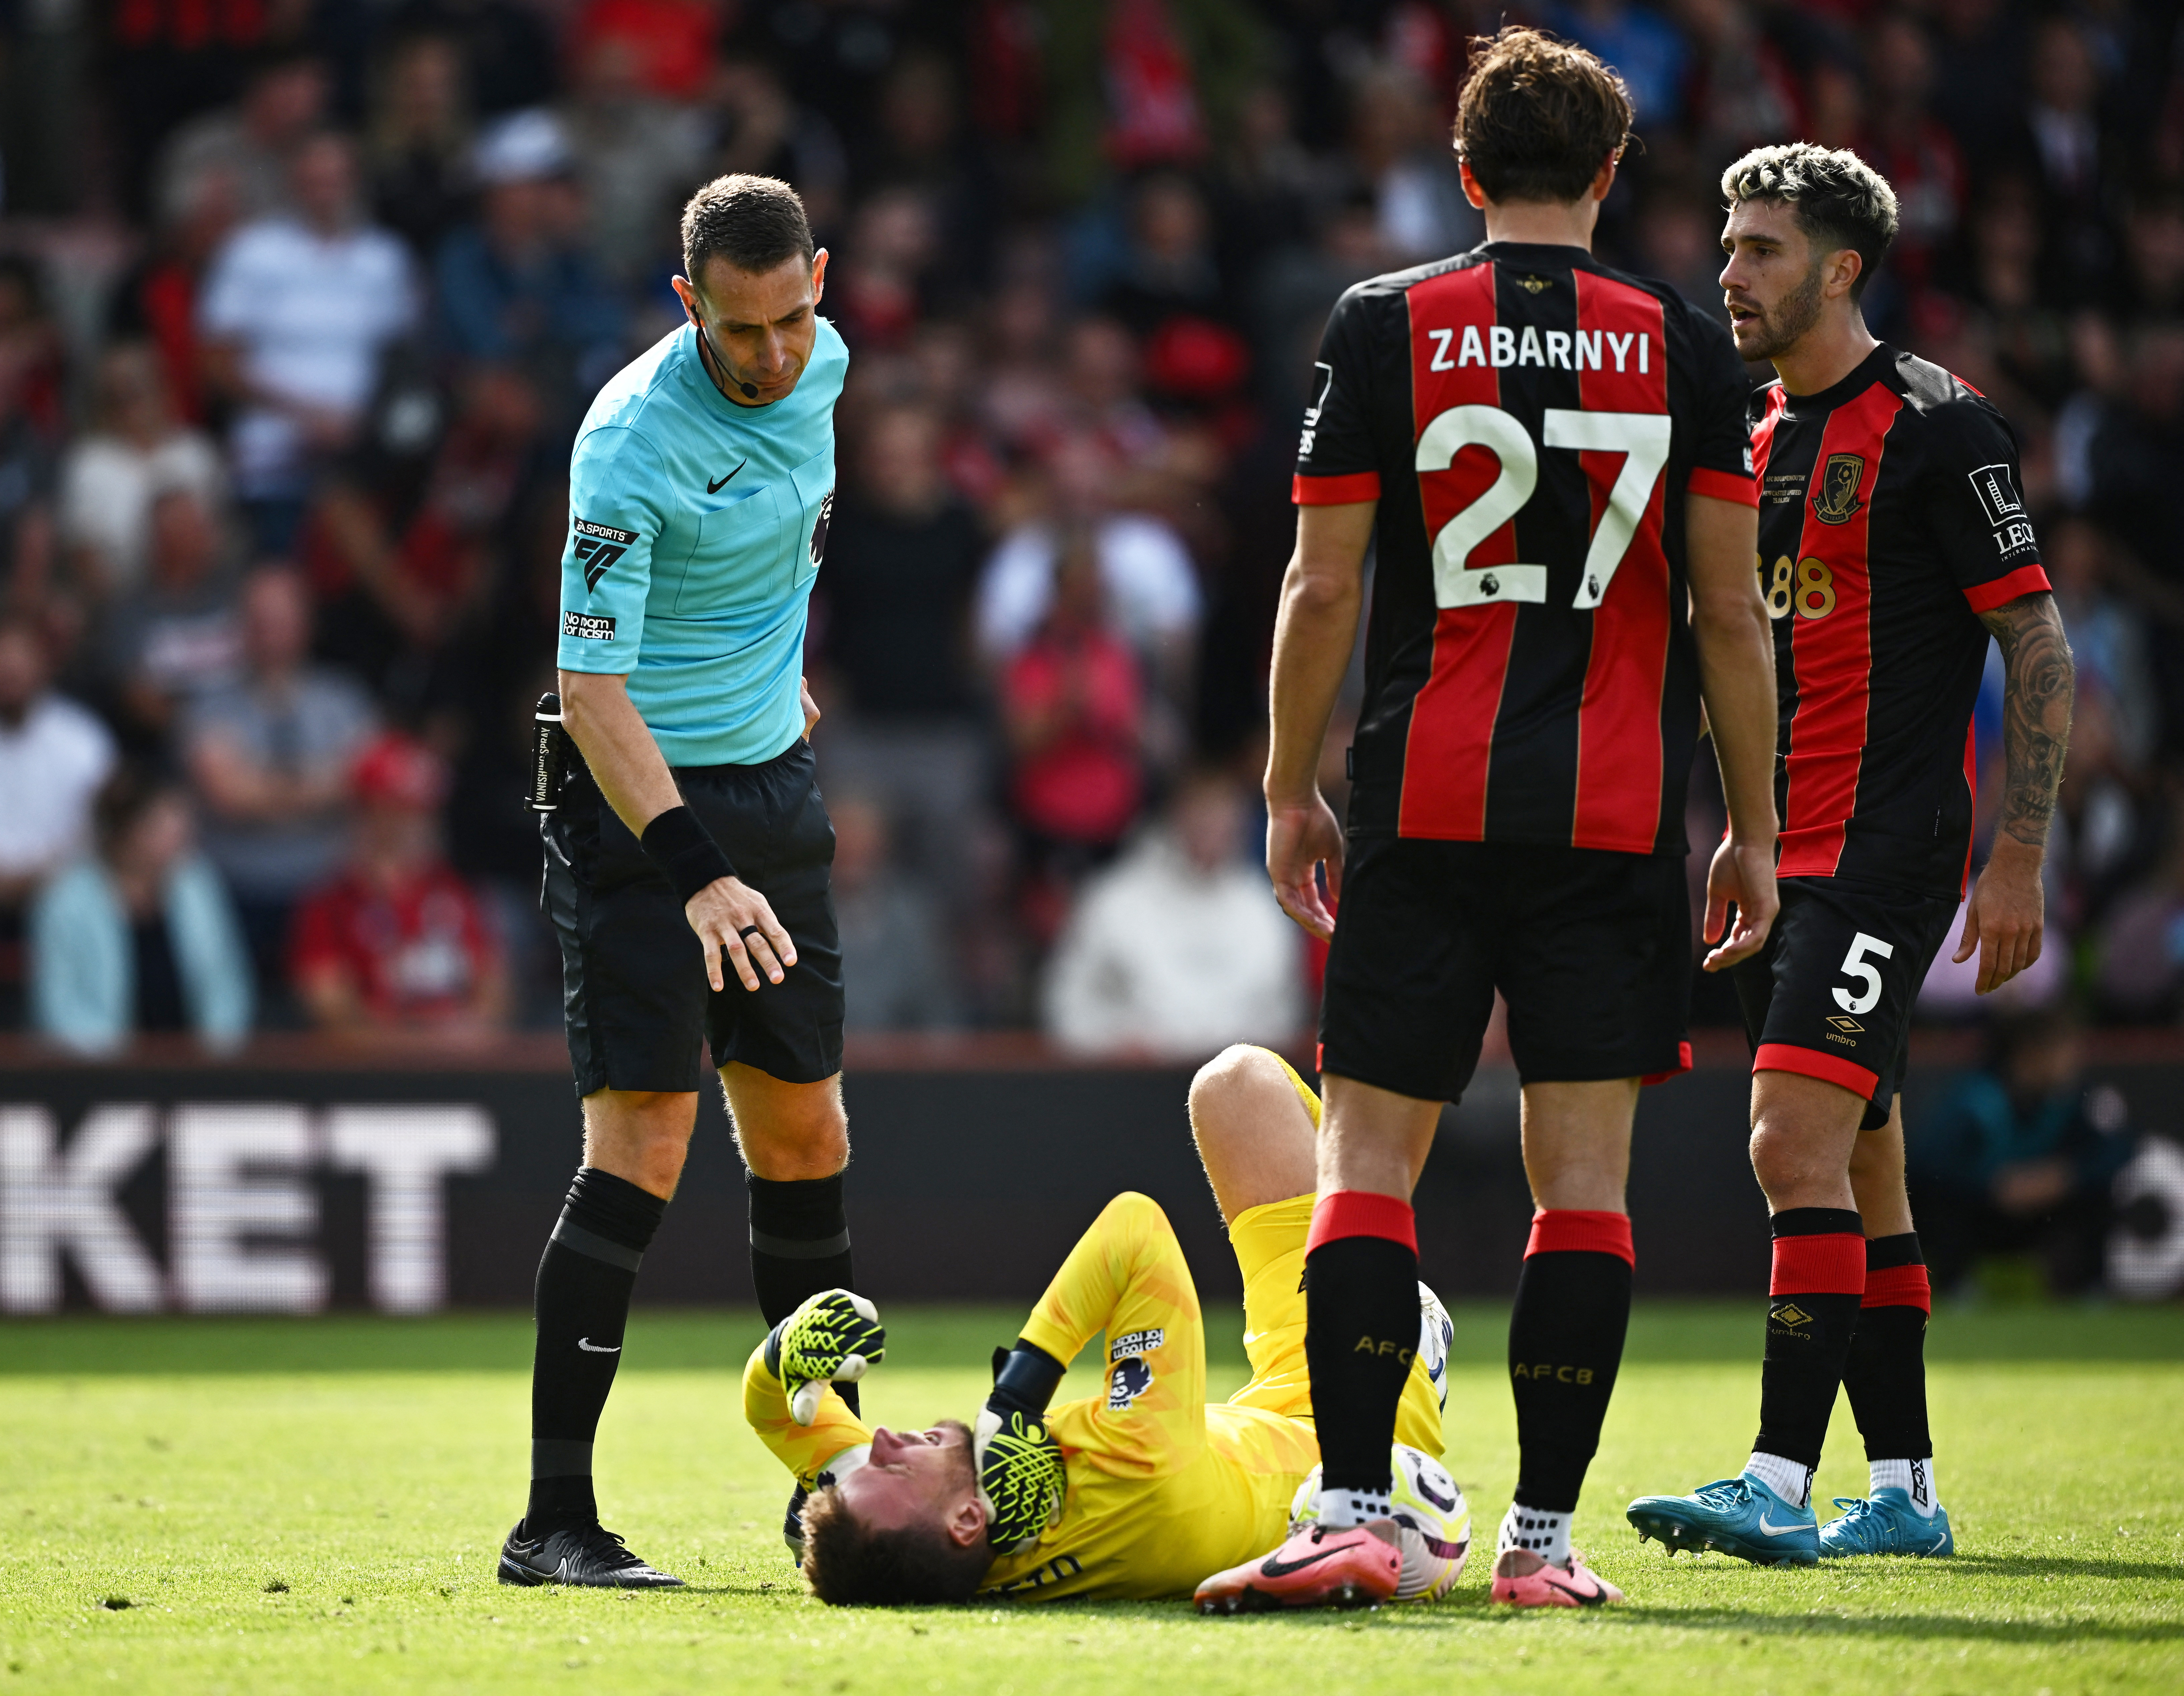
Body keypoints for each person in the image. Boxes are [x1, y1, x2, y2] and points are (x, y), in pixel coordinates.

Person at [1226, 28, 1781, 1612]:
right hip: (1611, 820)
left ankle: (1352, 1509)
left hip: (1425, 796)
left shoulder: (1387, 323)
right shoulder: (1686, 346)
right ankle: (1540, 1544)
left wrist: (1287, 784)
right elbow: (1732, 621)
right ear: (1612, 174)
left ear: (1465, 174)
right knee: (1582, 1184)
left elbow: (1322, 579)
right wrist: (1745, 824)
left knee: (1366, 1166)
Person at [1627, 144, 2073, 1566]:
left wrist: (2019, 857)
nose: (1729, 271)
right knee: (1864, 1174)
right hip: (1787, 854)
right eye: (1727, 242)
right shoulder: (1756, 440)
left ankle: (1773, 1477)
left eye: (1759, 248)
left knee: (1786, 1142)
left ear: (1840, 269)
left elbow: (2039, 643)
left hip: (1884, 853)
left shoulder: (1941, 427)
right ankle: (1906, 1490)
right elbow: (1737, 658)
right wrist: (1741, 834)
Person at [501, 175, 850, 1591]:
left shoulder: (827, 363)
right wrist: (698, 872)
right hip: (637, 808)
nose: (771, 357)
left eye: (791, 318)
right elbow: (590, 686)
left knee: (808, 1138)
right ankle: (554, 1522)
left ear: (818, 281)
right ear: (684, 300)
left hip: (765, 790)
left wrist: (781, 681)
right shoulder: (630, 442)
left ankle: (831, 1480)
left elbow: (787, 542)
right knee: (641, 1147)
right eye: (739, 328)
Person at [748, 1046, 1460, 1606]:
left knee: (1233, 1087)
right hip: (1364, 1414)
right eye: (893, 1464)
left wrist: (783, 1353)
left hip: (1263, 1413)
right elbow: (1135, 1226)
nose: (877, 1438)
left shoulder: (915, 1547)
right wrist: (1017, 1393)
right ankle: (1401, 1317)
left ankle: (1381, 1292)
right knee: (1237, 1085)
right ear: (967, 1521)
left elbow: (777, 1417)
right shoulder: (1134, 1471)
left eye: (861, 1462)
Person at [198, 131, 420, 555]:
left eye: (334, 178)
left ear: (354, 181)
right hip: (274, 456)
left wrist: (361, 426)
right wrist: (309, 417)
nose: (324, 191)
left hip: (367, 456)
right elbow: (216, 365)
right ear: (291, 181)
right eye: (312, 178)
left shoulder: (385, 260)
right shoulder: (251, 253)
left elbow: (404, 367)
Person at [182, 566, 379, 1010]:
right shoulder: (208, 705)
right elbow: (228, 797)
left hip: (330, 894)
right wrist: (322, 783)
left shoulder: (344, 700)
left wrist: (259, 786)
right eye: (259, 619)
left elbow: (364, 785)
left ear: (306, 624)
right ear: (241, 626)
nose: (270, 632)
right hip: (232, 893)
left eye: (282, 619)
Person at [1044, 768, 1301, 1060]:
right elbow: (1069, 1003)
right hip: (1133, 1088)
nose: (1213, 830)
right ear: (1177, 816)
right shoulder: (1116, 900)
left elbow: (1282, 1014)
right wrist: (1114, 1041)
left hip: (1233, 1093)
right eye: (1202, 816)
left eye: (1222, 818)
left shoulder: (1265, 909)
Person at [290, 732, 508, 1035]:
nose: (416, 824)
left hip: (458, 1069)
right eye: (399, 809)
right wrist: (413, 1048)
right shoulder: (331, 903)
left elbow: (494, 991)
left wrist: (465, 1036)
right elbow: (332, 1010)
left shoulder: (456, 891)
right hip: (374, 1075)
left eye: (424, 811)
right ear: (369, 812)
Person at [1909, 1010, 2135, 1299]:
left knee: (2100, 1193)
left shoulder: (2075, 1100)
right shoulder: (1976, 1097)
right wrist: (1995, 1185)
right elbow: (1928, 1162)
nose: (2075, 1060)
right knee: (1939, 1199)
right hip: (1982, 1213)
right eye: (2065, 1049)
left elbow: (2119, 1148)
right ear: (2031, 1052)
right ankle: (1955, 1286)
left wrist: (2062, 1178)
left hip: (2041, 1214)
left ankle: (2090, 1289)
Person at [29, 767, 253, 1055]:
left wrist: (212, 1052)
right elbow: (59, 1004)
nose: (181, 833)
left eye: (182, 820)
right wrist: (123, 1065)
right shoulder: (66, 899)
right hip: (97, 1074)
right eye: (164, 823)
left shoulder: (198, 885)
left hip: (198, 1070)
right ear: (127, 831)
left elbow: (228, 983)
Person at [0, 616, 118, 1028]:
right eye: (3, 664)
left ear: (44, 666)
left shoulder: (82, 738)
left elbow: (103, 832)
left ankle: (82, 1044)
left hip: (64, 892)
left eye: (20, 664)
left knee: (79, 899)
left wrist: (46, 877)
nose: (10, 675)